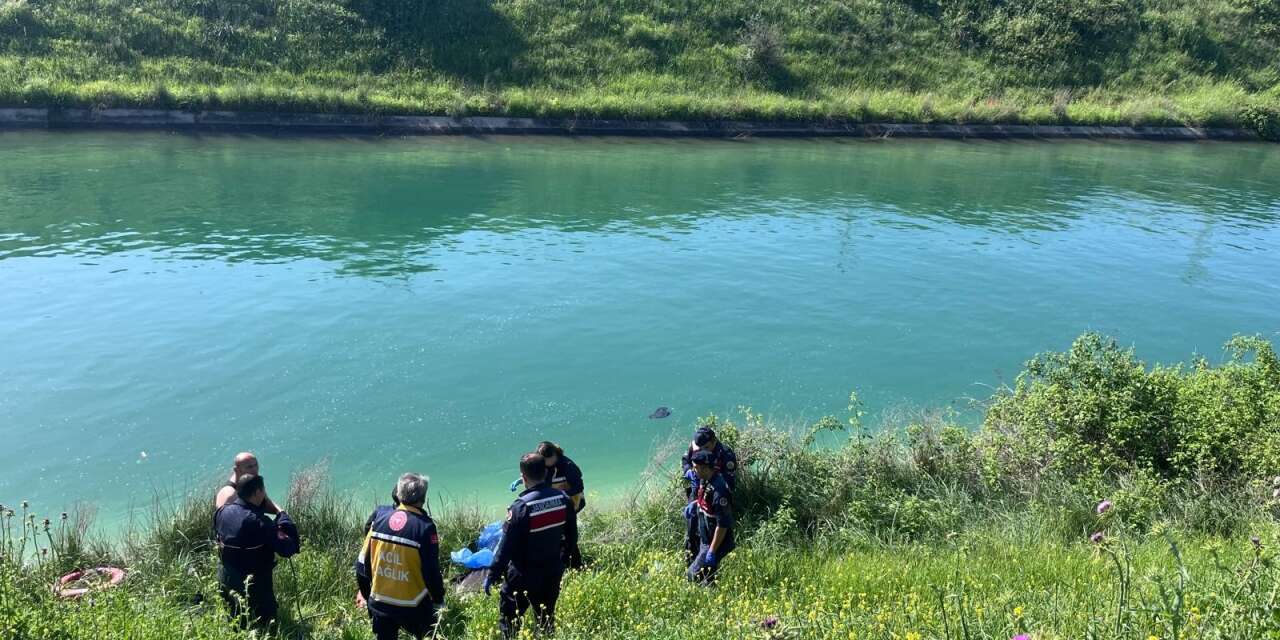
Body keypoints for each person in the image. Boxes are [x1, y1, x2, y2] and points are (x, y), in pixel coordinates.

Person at [486, 453, 579, 639]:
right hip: (551, 570)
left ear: (523, 477)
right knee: (545, 619)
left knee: (510, 621)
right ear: (546, 472)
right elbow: (572, 537)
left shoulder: (520, 508)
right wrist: (561, 560)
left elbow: (505, 548)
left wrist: (493, 574)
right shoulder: (563, 499)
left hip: (522, 574)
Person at [355, 473, 445, 640]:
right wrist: (439, 599)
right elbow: (431, 571)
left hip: (380, 603)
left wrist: (368, 597)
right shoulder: (425, 527)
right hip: (413, 605)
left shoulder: (379, 519)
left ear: (398, 493)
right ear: (423, 498)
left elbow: (360, 566)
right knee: (427, 634)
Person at [214, 474, 300, 627]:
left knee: (235, 622)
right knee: (267, 624)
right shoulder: (259, 522)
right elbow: (287, 548)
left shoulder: (222, 512)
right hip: (256, 586)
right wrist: (282, 514)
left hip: (227, 578)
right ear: (258, 492)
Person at [679, 426, 737, 563]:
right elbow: (686, 461)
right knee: (691, 529)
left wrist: (710, 488)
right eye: (700, 447)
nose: (702, 450)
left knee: (709, 534)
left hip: (712, 497)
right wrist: (688, 473)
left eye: (706, 447)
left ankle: (707, 569)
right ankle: (690, 563)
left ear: (714, 441)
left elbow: (729, 483)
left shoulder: (726, 455)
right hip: (696, 494)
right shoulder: (696, 445)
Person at [685, 450, 735, 585]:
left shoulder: (720, 492)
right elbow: (705, 501)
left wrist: (712, 551)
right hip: (706, 537)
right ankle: (710, 595)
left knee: (692, 575)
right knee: (708, 577)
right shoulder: (706, 480)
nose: (693, 470)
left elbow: (723, 525)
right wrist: (695, 504)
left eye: (695, 467)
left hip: (715, 541)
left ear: (705, 468)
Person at [215, 452, 279, 514]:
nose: (255, 469)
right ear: (237, 470)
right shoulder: (229, 494)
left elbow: (268, 505)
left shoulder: (253, 483)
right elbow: (225, 521)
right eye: (249, 467)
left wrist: (282, 514)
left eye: (256, 465)